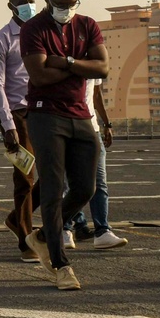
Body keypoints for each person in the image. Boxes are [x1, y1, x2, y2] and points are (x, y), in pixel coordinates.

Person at [21, 0, 108, 291]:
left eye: (72, 4)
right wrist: (80, 64)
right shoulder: (33, 29)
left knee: (85, 189)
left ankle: (42, 236)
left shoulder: (88, 24)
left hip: (81, 116)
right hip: (46, 115)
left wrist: (66, 61)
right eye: (61, 4)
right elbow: (40, 76)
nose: (67, 9)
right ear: (47, 0)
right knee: (53, 190)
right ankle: (61, 265)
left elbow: (103, 68)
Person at [0, 0, 42, 261]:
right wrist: (7, 125)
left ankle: (14, 218)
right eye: (23, 2)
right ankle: (26, 240)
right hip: (17, 115)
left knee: (57, 173)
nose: (29, 6)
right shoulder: (1, 40)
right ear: (11, 7)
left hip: (43, 110)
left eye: (32, 1)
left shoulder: (42, 33)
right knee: (25, 178)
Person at [62, 80, 128, 250]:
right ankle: (65, 228)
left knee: (99, 183)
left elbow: (96, 94)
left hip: (92, 128)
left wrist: (107, 123)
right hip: (66, 126)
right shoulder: (62, 56)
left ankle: (102, 231)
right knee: (67, 184)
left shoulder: (93, 56)